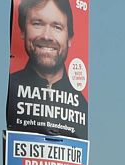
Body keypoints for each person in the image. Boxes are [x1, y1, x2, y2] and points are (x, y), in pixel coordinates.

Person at [7, 0, 89, 138]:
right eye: (37, 24)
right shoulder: (13, 94)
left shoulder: (82, 106)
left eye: (57, 27)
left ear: (70, 38)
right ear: (22, 31)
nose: (46, 36)